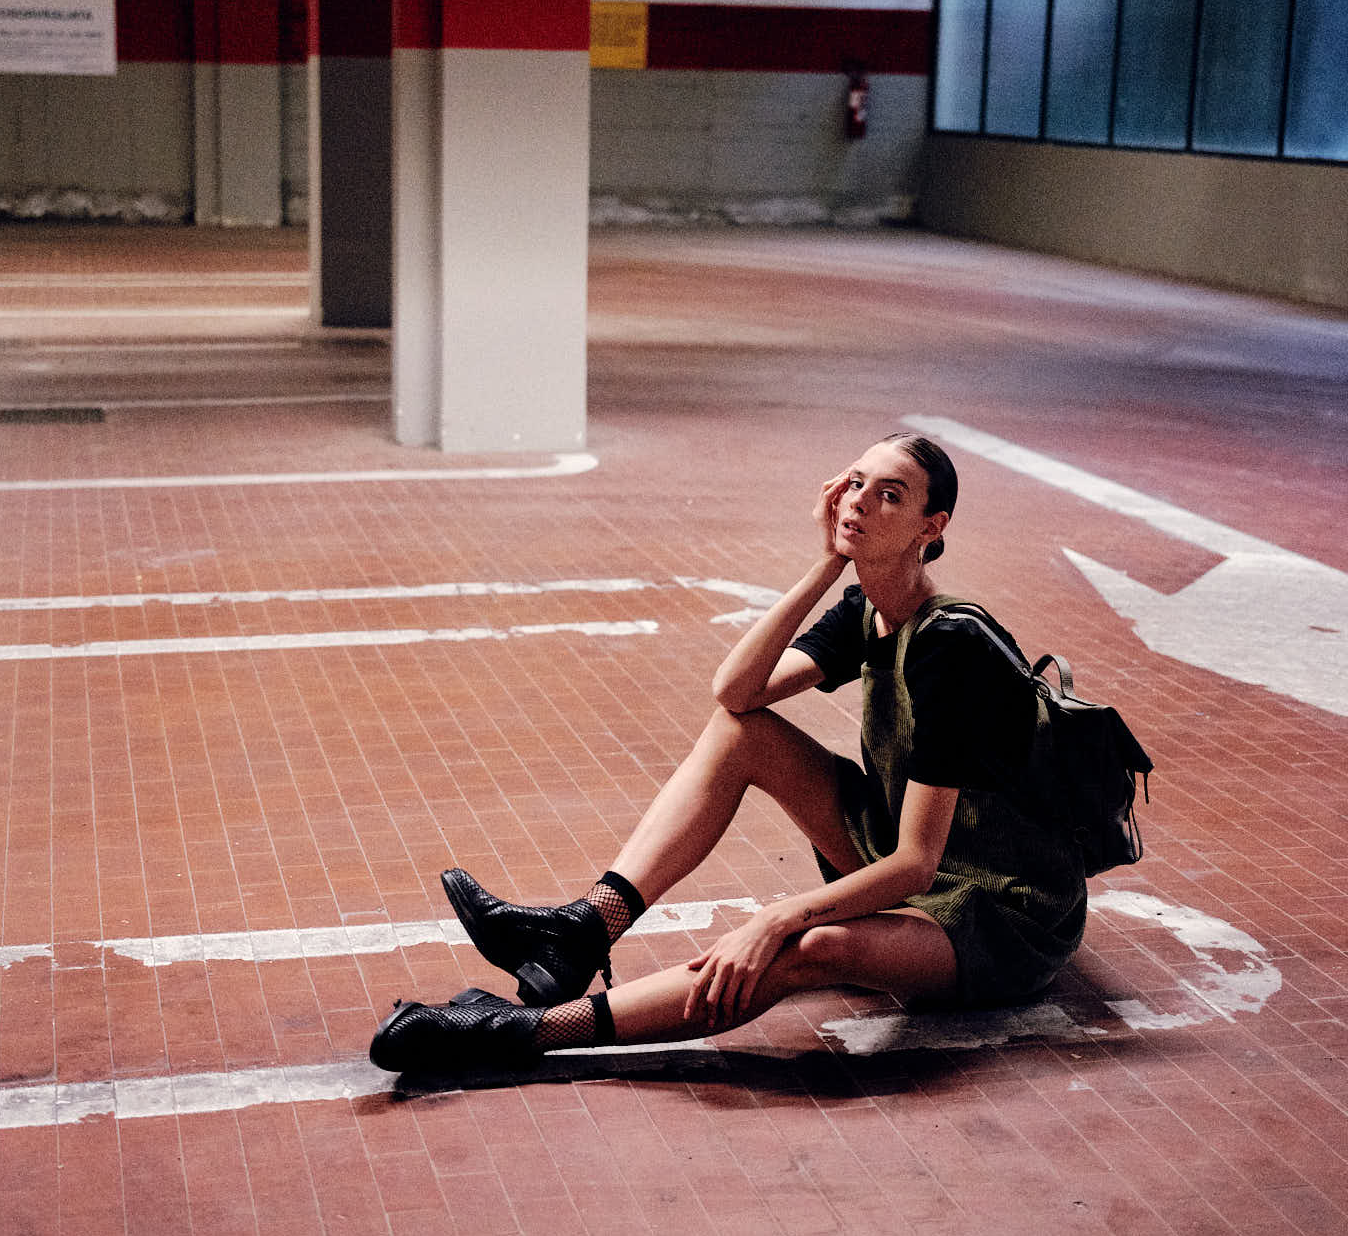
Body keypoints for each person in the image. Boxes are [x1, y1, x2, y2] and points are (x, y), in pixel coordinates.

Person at [370, 432, 1087, 1075]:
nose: (860, 501)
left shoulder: (950, 649)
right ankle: (583, 931)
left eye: (889, 495)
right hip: (919, 857)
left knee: (812, 950)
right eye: (856, 481)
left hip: (1000, 909)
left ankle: (521, 1030)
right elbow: (737, 693)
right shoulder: (869, 610)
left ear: (932, 529)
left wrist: (775, 917)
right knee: (740, 734)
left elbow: (915, 864)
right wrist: (823, 565)